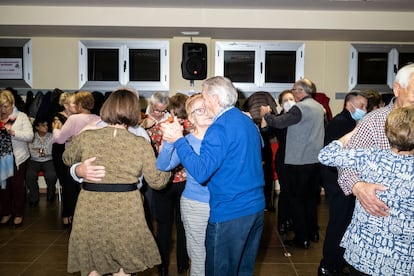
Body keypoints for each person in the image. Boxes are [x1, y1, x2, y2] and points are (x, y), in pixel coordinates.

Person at [161, 76, 265, 276]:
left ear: (215, 99)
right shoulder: (245, 120)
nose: (204, 101)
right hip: (255, 208)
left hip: (231, 212)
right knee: (243, 269)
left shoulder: (219, 128)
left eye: (204, 96)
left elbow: (200, 173)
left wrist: (178, 140)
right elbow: (257, 147)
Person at [62, 89, 171, 276]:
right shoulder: (140, 143)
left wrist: (78, 159)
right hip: (127, 208)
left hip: (90, 206)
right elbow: (157, 182)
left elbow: (67, 157)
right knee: (124, 266)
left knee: (92, 265)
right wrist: (168, 154)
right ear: (133, 111)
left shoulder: (88, 136)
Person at [318, 106, 414, 276]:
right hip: (404, 261)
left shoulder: (371, 156)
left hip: (362, 253)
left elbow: (325, 155)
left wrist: (349, 136)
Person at [337, 63, 414, 218]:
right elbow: (345, 162)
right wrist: (358, 186)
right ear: (397, 89)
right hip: (380, 215)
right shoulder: (373, 121)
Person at [260, 78, 325, 249]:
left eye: (294, 90)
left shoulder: (300, 108)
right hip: (314, 161)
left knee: (296, 200)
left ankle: (301, 238)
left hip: (299, 162)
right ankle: (313, 233)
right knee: (311, 200)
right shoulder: (319, 107)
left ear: (300, 91)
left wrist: (266, 114)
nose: (293, 93)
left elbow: (278, 122)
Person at [157, 94, 212, 276]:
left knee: (219, 254)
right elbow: (163, 165)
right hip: (195, 204)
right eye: (199, 110)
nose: (206, 112)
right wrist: (168, 140)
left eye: (208, 107)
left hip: (223, 204)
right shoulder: (186, 141)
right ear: (191, 117)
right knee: (198, 256)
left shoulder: (222, 137)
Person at [318, 91, 368, 275]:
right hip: (338, 182)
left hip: (340, 181)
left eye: (365, 106)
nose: (365, 110)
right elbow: (335, 156)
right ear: (349, 105)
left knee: (342, 222)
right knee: (338, 224)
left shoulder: (348, 122)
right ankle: (329, 264)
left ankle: (336, 262)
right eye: (361, 106)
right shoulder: (342, 123)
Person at [152, 93, 190, 276]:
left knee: (164, 225)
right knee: (183, 224)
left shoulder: (161, 127)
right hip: (185, 182)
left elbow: (155, 154)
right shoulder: (193, 127)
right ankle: (183, 263)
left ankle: (163, 265)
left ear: (172, 109)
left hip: (164, 181)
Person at [52, 90, 100, 227]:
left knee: (70, 189)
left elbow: (60, 140)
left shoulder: (73, 119)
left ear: (79, 104)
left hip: (73, 157)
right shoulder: (98, 118)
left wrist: (55, 130)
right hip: (90, 158)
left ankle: (69, 216)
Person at [0, 89, 33, 227]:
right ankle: (6, 212)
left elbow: (30, 136)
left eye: (6, 106)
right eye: (0, 106)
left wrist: (13, 132)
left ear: (12, 104)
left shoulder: (21, 117)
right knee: (3, 187)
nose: (3, 109)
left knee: (17, 186)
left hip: (16, 157)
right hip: (1, 158)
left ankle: (18, 214)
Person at [243, 91, 278, 212]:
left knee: (266, 177)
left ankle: (266, 203)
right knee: (265, 178)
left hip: (263, 151)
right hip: (258, 152)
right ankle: (266, 203)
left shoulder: (266, 121)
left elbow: (267, 133)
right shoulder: (247, 121)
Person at [273, 89, 295, 235]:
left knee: (295, 192)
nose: (289, 102)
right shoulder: (278, 119)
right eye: (286, 100)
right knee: (286, 191)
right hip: (283, 159)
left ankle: (292, 220)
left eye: (291, 99)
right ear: (281, 104)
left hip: (297, 159)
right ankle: (282, 222)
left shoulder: (298, 117)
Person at [26, 118, 57, 206]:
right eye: (43, 125)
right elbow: (32, 152)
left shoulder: (52, 136)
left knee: (51, 175)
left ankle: (51, 196)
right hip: (34, 160)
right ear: (37, 127)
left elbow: (50, 151)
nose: (46, 127)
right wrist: (42, 151)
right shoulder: (31, 136)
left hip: (49, 160)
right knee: (30, 175)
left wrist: (38, 150)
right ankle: (34, 198)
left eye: (47, 125)